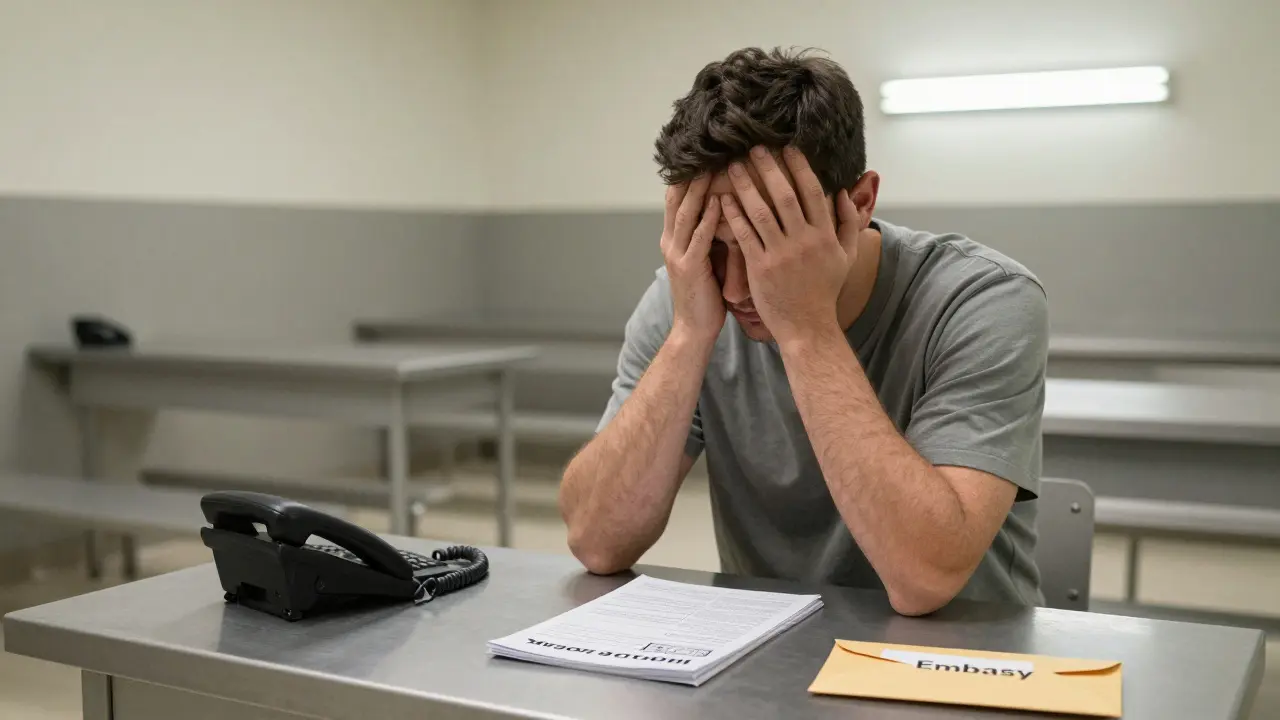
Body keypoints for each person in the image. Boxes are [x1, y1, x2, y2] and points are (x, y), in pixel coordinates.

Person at [557, 47, 1049, 616]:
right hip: (766, 656)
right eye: (715, 248)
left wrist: (807, 330)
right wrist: (690, 333)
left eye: (770, 246)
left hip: (956, 660)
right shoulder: (688, 298)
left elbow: (924, 578)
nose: (738, 289)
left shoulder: (985, 299)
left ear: (860, 203)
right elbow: (596, 539)